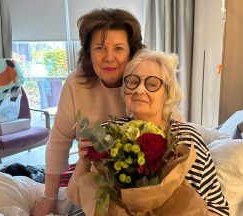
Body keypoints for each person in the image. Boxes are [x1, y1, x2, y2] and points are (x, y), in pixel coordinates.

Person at [68, 50, 230, 216]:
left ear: (167, 94)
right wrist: (83, 162)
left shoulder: (186, 140)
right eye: (132, 82)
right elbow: (75, 198)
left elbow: (219, 210)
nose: (139, 90)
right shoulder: (109, 133)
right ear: (125, 91)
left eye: (152, 84)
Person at [31, 8, 144, 216]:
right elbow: (58, 142)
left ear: (132, 52)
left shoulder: (144, 82)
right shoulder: (76, 83)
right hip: (90, 183)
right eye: (100, 48)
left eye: (119, 48)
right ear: (88, 52)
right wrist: (49, 197)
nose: (108, 58)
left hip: (139, 187)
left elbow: (174, 127)